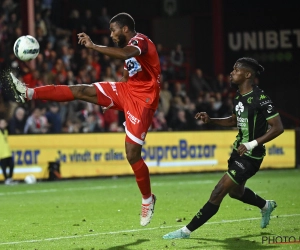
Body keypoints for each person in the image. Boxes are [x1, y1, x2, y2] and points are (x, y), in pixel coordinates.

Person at [7, 12, 160, 226]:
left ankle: (147, 199)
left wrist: (94, 46)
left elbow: (126, 53)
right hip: (126, 91)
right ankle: (28, 93)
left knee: (132, 154)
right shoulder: (127, 53)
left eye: (113, 30)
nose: (111, 34)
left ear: (125, 29)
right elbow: (126, 75)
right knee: (81, 90)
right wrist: (114, 95)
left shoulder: (140, 41)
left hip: (143, 99)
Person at [163, 57, 284, 239]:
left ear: (247, 74)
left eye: (236, 70)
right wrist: (211, 120)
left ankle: (185, 231)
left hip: (251, 157)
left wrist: (252, 143)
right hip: (238, 152)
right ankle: (266, 206)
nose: (232, 72)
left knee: (218, 191)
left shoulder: (260, 98)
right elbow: (234, 120)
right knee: (236, 192)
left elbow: (278, 127)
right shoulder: (238, 97)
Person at [0, 118, 16, 185]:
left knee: (11, 165)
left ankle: (10, 178)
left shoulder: (6, 131)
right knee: (3, 167)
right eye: (2, 123)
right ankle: (6, 179)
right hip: (2, 153)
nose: (3, 124)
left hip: (8, 152)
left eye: (4, 123)